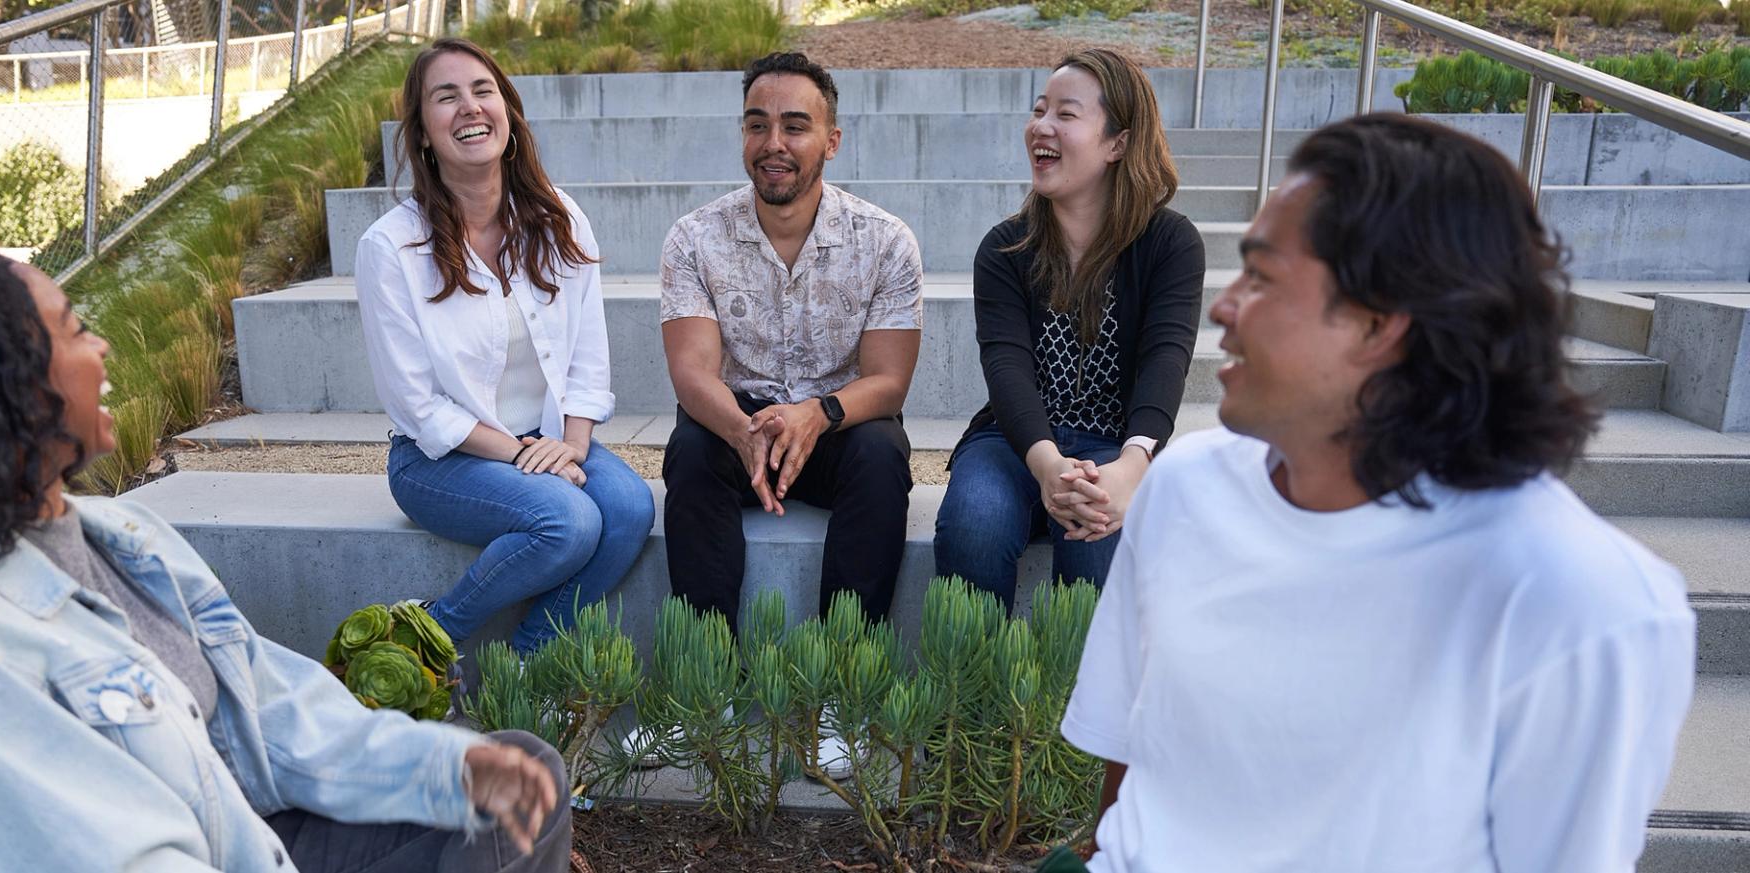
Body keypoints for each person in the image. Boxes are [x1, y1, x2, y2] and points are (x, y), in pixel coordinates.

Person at [1061, 114, 1695, 871]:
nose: (1225, 310)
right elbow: (1129, 770)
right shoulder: (1187, 487)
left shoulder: (1583, 602)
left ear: (1380, 323)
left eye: (1261, 276)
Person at [0, 244, 572, 872]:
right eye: (73, 329)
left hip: (249, 828)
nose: (102, 347)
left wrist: (447, 769)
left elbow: (273, 710)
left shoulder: (121, 536)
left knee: (514, 775)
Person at [356, 38, 654, 655]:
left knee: (628, 508)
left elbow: (587, 359)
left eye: (482, 90)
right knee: (568, 523)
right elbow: (418, 405)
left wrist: (571, 445)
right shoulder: (390, 248)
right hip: (439, 460)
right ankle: (429, 638)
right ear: (424, 134)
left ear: (508, 114)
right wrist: (522, 457)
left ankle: (529, 655)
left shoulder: (559, 217)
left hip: (546, 438)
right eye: (447, 97)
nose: (469, 108)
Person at [659, 51, 924, 628]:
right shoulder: (694, 238)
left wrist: (817, 415)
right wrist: (740, 430)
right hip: (737, 421)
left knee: (883, 457)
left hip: (838, 421)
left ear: (831, 142)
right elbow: (692, 373)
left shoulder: (885, 241)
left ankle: (843, 688)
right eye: (758, 125)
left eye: (795, 126)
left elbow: (888, 382)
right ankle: (708, 688)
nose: (773, 142)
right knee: (690, 453)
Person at [933, 49, 1204, 609]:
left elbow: (1165, 360)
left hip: (1117, 440)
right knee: (974, 524)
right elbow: (1005, 367)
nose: (1041, 127)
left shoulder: (1170, 244)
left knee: (1098, 544)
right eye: (1039, 110)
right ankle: (974, 696)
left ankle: (1075, 699)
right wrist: (1049, 464)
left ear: (1118, 144)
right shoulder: (1006, 248)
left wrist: (1132, 468)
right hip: (1014, 441)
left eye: (1066, 113)